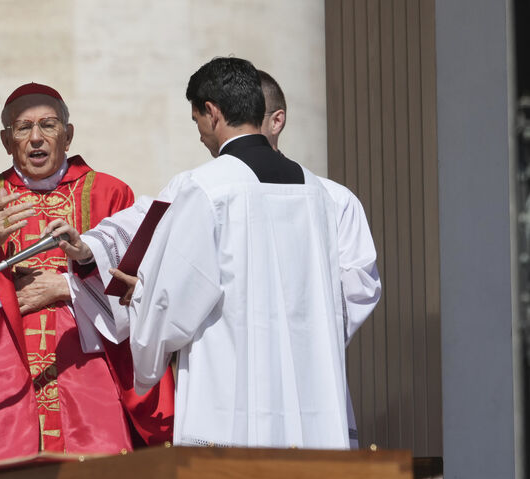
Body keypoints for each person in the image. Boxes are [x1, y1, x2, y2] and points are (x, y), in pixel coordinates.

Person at [48, 57, 373, 450]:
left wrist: (145, 306)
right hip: (311, 392)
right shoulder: (320, 194)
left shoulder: (208, 188)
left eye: (197, 121)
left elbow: (177, 297)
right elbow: (348, 293)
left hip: (232, 395)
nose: (201, 135)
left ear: (212, 113)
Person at [0, 82, 174, 479]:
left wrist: (68, 286)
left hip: (89, 371)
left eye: (48, 125)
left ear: (68, 135)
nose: (36, 138)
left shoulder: (110, 195)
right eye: (22, 128)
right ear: (5, 140)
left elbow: (144, 280)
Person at [257, 69, 382, 447]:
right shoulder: (210, 191)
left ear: (277, 120)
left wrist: (296, 328)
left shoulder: (334, 199)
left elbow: (360, 284)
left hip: (310, 372)